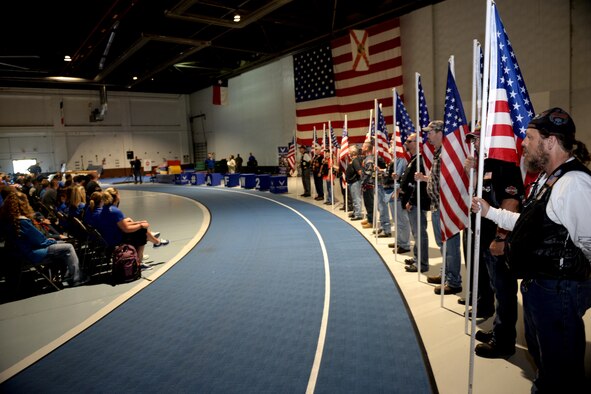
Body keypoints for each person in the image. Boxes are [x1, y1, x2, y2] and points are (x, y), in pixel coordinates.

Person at [472, 107, 591, 393]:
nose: (523, 142)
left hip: (558, 292)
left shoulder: (574, 184)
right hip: (542, 289)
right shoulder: (550, 179)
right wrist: (491, 212)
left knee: (558, 377)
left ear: (550, 141)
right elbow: (530, 224)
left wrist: (575, 293)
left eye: (529, 136)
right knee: (545, 363)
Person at [463, 126, 524, 359]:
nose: (474, 144)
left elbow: (511, 202)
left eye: (477, 140)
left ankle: (504, 342)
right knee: (497, 288)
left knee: (505, 290)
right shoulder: (487, 164)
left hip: (497, 239)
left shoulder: (504, 164)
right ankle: (499, 329)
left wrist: (501, 237)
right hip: (486, 236)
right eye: (473, 140)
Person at [0, 191, 87, 287]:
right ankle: (77, 279)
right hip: (31, 253)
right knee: (68, 247)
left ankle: (67, 275)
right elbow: (40, 241)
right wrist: (53, 241)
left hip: (20, 252)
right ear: (23, 204)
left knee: (61, 244)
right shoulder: (22, 222)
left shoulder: (8, 219)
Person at [415, 120, 462, 295]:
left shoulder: (447, 154)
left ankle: (454, 281)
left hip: (445, 206)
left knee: (450, 246)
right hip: (437, 205)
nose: (428, 136)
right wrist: (425, 179)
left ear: (441, 132)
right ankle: (446, 275)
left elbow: (450, 181)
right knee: (443, 245)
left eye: (430, 132)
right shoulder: (438, 153)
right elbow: (438, 180)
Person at [94, 187, 169, 269]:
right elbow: (126, 229)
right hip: (116, 239)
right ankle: (139, 263)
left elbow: (122, 224)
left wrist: (138, 222)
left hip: (108, 236)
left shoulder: (105, 208)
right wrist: (141, 225)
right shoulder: (115, 211)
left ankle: (156, 242)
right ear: (116, 196)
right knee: (142, 232)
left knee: (140, 228)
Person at [399, 133, 431, 272]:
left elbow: (418, 184)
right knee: (416, 232)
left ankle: (422, 264)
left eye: (408, 141)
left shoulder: (420, 159)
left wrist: (411, 200)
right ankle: (417, 257)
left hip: (417, 202)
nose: (405, 143)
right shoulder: (413, 159)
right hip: (413, 201)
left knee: (419, 233)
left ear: (416, 143)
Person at [388, 149, 411, 254]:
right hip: (393, 189)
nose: (391, 141)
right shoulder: (396, 158)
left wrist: (397, 188)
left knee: (402, 220)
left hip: (399, 190)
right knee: (397, 220)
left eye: (393, 139)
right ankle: (399, 241)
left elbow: (400, 175)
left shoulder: (401, 158)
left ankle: (405, 244)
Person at [346, 145, 363, 220]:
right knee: (354, 198)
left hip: (355, 182)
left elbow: (359, 171)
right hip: (352, 182)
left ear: (353, 152)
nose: (348, 151)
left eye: (349, 150)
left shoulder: (355, 160)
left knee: (356, 198)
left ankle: (358, 214)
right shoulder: (353, 160)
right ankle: (355, 211)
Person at [360, 141, 375, 229]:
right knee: (367, 203)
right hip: (366, 184)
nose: (361, 148)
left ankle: (371, 221)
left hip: (368, 184)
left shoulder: (369, 159)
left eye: (363, 146)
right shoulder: (366, 158)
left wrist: (363, 183)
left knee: (369, 203)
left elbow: (368, 172)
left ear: (366, 148)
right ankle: (369, 218)